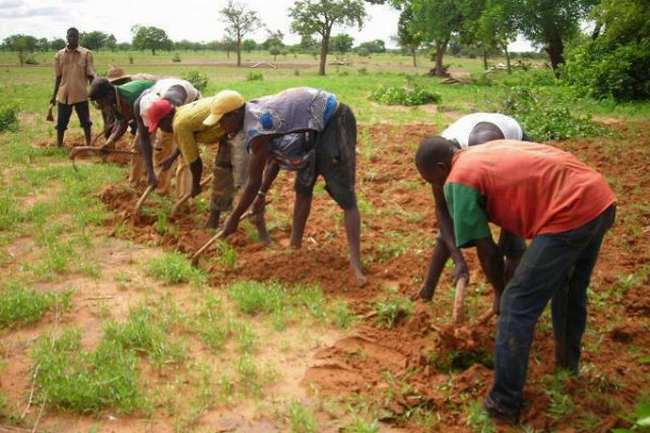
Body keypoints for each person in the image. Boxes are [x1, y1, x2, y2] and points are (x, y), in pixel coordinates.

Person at [415, 138, 616, 424]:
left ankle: (503, 403)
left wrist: (500, 292)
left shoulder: (459, 177)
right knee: (570, 289)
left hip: (570, 211)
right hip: (598, 198)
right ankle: (567, 367)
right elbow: (509, 217)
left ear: (440, 167)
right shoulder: (481, 155)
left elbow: (487, 252)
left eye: (433, 181)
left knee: (517, 303)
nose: (438, 189)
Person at [204, 87, 366, 285]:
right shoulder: (251, 115)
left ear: (235, 114)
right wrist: (262, 195)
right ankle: (295, 247)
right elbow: (273, 160)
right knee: (303, 186)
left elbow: (253, 181)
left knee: (345, 194)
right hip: (311, 126)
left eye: (222, 120)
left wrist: (234, 217)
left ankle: (355, 262)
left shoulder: (258, 128)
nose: (221, 126)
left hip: (334, 119)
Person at [416, 113, 529, 305]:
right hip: (477, 160)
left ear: (443, 168)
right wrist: (459, 260)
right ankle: (426, 292)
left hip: (514, 160)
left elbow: (513, 203)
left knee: (513, 238)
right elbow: (442, 211)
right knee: (454, 227)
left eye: (437, 182)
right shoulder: (438, 156)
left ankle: (506, 298)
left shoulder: (485, 148)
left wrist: (498, 252)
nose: (439, 186)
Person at [147, 93, 249, 228]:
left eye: (160, 125)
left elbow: (195, 162)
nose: (161, 129)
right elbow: (186, 141)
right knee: (222, 171)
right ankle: (214, 221)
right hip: (227, 130)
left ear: (166, 119)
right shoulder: (181, 113)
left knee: (241, 177)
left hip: (237, 125)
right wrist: (172, 158)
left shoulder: (179, 125)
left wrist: (195, 185)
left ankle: (252, 217)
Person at [133, 78, 201, 192]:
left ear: (168, 117)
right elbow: (144, 139)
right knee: (162, 150)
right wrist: (150, 172)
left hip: (192, 106)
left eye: (159, 124)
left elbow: (188, 140)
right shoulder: (140, 105)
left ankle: (184, 197)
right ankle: (161, 189)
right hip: (167, 109)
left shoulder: (179, 109)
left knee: (186, 156)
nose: (158, 128)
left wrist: (173, 157)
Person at [88, 77, 155, 186]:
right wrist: (110, 141)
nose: (99, 104)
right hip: (143, 114)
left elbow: (143, 124)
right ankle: (134, 184)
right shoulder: (114, 100)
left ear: (109, 95)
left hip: (154, 107)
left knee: (156, 147)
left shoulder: (130, 97)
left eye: (99, 100)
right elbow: (122, 122)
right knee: (139, 147)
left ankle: (160, 186)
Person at [51, 27, 95, 148]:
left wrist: (95, 94)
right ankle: (59, 146)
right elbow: (58, 77)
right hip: (64, 94)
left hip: (81, 93)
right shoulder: (59, 55)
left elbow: (91, 76)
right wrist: (53, 96)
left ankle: (88, 144)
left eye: (75, 36)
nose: (73, 38)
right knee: (61, 123)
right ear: (67, 37)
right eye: (71, 36)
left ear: (78, 37)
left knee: (86, 122)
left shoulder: (86, 54)